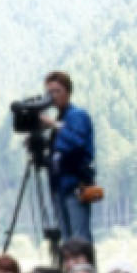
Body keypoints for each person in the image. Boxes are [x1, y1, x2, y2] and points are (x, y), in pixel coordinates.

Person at [41, 70, 95, 245]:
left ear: (68, 92)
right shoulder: (61, 118)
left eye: (57, 91)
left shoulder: (77, 115)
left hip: (75, 185)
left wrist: (54, 125)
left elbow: (76, 143)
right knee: (67, 239)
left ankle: (85, 271)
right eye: (50, 92)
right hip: (59, 187)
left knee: (79, 238)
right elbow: (56, 156)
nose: (53, 96)